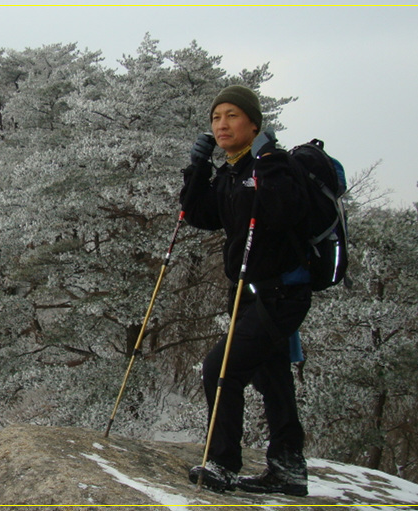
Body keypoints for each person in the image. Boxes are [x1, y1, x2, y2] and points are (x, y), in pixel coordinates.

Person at [179, 85, 313, 496]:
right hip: (255, 293)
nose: (222, 124)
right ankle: (287, 468)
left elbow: (281, 209)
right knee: (272, 377)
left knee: (221, 368)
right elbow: (198, 215)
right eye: (216, 117)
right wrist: (198, 169)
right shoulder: (232, 173)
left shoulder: (275, 166)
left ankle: (222, 463)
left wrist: (269, 162)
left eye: (232, 115)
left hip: (282, 293)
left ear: (254, 124)